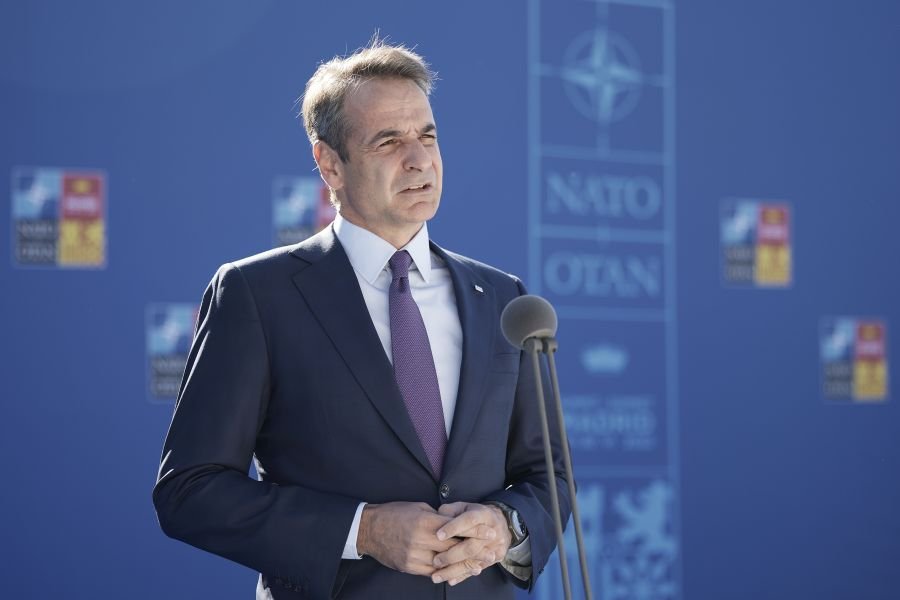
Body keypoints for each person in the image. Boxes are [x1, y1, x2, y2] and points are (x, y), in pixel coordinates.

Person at [152, 38, 571, 599]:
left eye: (428, 136)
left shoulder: (500, 297)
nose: (419, 159)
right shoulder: (257, 295)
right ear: (330, 164)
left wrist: (507, 527)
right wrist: (362, 531)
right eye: (389, 141)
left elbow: (549, 476)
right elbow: (191, 490)